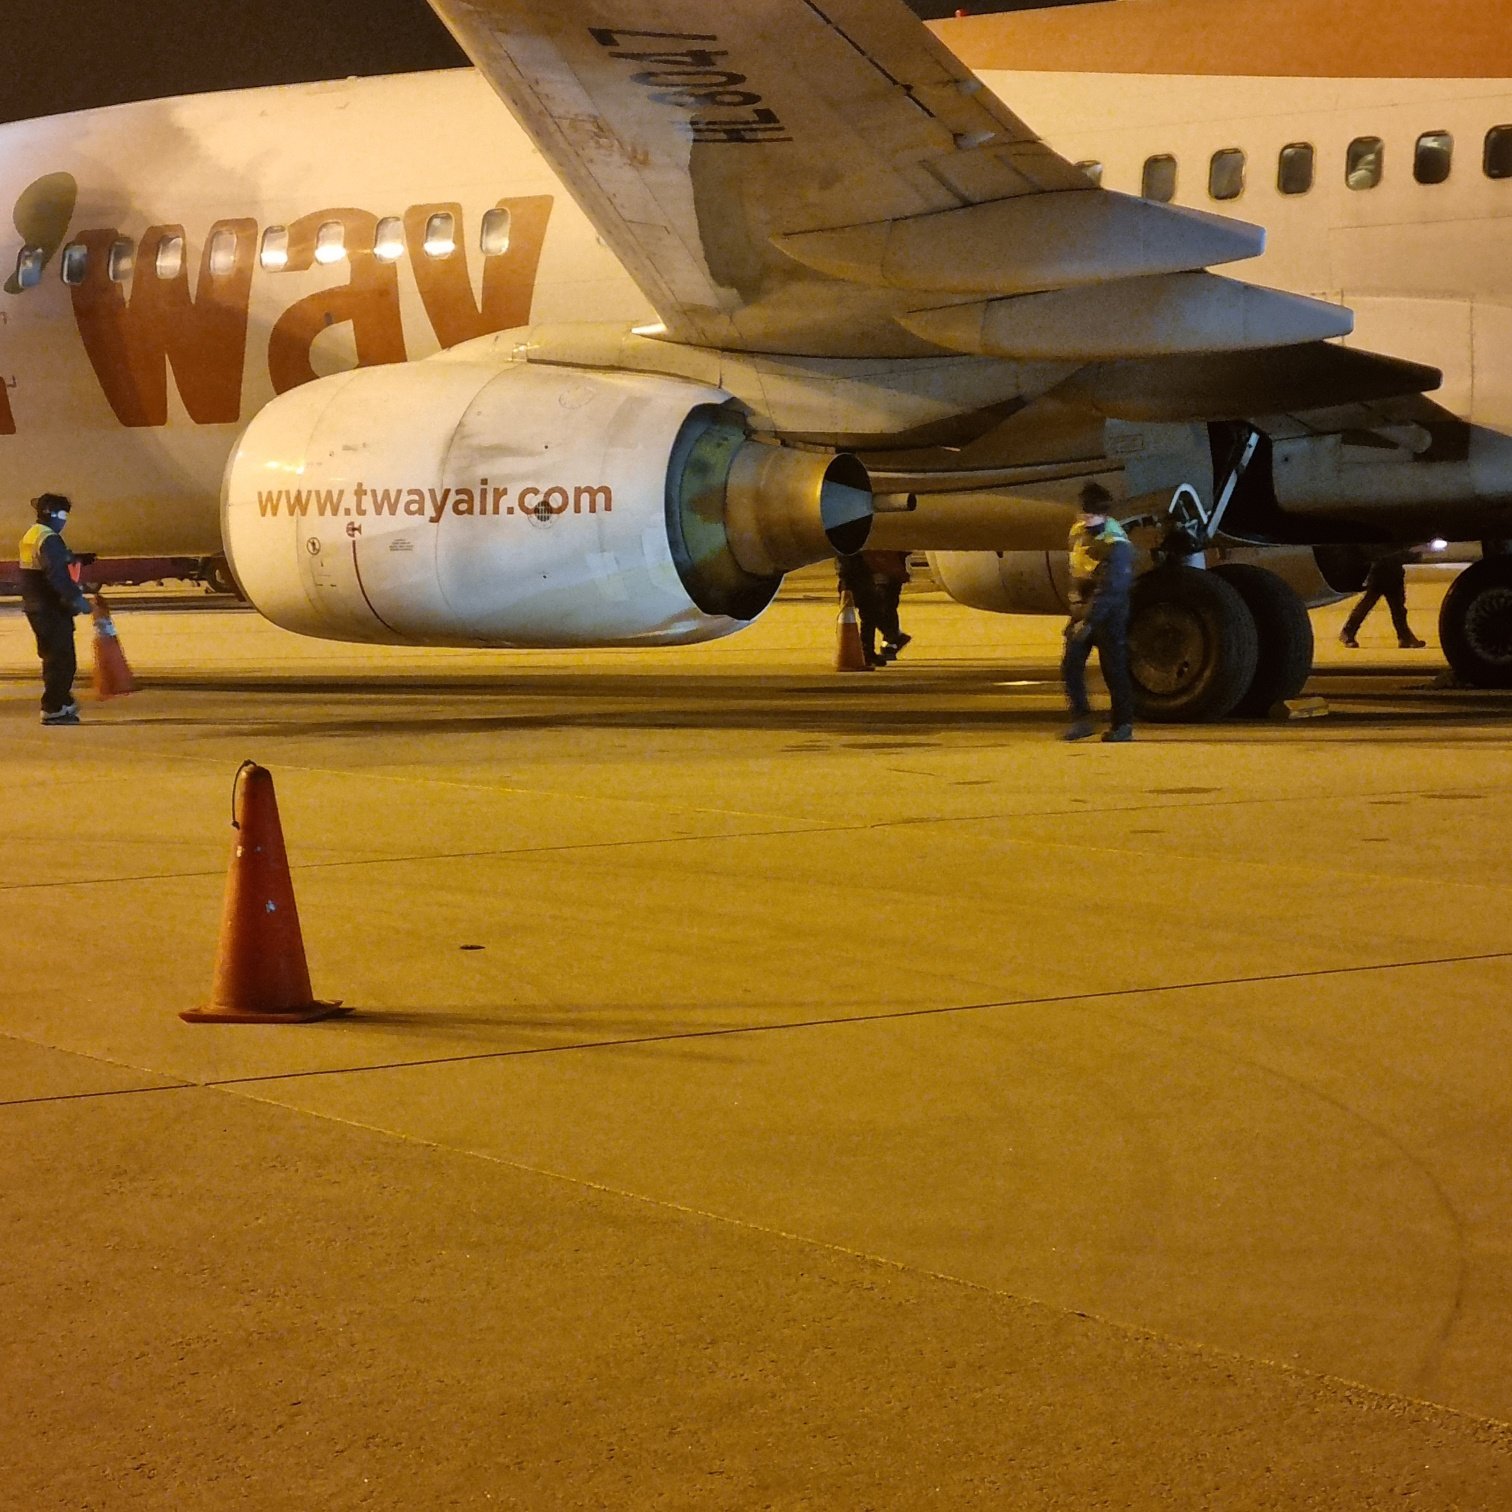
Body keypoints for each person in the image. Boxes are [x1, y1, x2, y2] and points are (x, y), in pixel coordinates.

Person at [1062, 481, 1136, 742]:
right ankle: (1082, 719)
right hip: (1084, 611)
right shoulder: (1079, 532)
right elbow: (1076, 570)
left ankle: (1123, 725)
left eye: (1090, 514)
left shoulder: (1116, 544)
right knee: (1070, 667)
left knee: (1114, 670)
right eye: (1083, 513)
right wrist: (1077, 611)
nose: (1085, 518)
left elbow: (1111, 590)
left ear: (1103, 514)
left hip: (1109, 614)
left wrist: (1089, 621)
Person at [18, 492, 93, 725]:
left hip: (35, 607)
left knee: (52, 657)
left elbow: (43, 562)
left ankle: (59, 700)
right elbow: (57, 576)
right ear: (53, 514)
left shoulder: (33, 534)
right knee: (62, 660)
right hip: (49, 609)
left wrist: (72, 557)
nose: (65, 520)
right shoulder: (48, 538)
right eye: (63, 515)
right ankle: (54, 707)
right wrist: (77, 599)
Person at [1339, 549, 1426, 649]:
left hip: (1393, 572)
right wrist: (1411, 555)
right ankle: (1348, 632)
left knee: (1397, 608)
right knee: (1368, 605)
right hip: (1381, 572)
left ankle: (1404, 637)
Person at [835, 551, 888, 667]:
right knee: (870, 616)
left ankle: (867, 651)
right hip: (856, 578)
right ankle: (866, 651)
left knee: (869, 616)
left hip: (853, 577)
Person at [862, 550, 913, 663]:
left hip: (889, 566)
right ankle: (892, 639)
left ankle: (891, 640)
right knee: (884, 607)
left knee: (883, 607)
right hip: (884, 565)